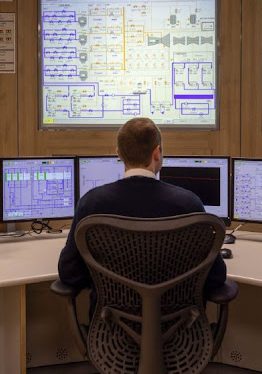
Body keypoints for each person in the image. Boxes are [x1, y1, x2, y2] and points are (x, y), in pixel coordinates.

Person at [57, 117, 227, 297]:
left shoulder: (91, 203)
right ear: (157, 152)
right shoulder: (189, 204)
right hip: (177, 322)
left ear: (119, 154)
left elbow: (69, 273)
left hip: (110, 322)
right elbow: (215, 277)